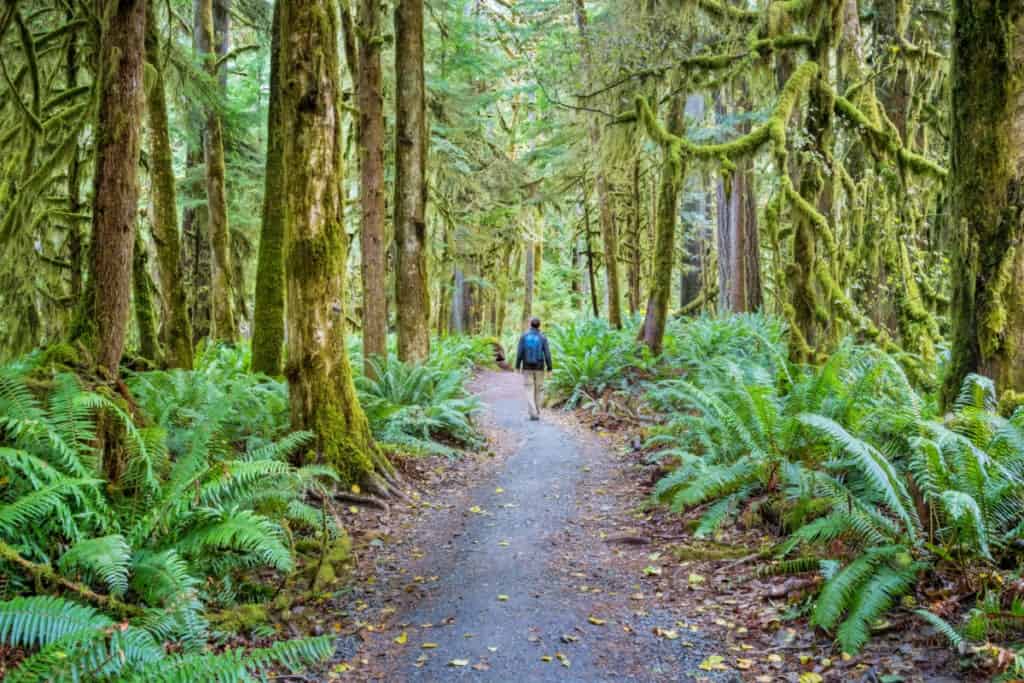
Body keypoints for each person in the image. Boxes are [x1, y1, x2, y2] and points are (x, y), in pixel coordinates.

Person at [515, 317, 553, 421]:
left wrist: (517, 366)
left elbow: (520, 352)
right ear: (539, 325)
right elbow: (547, 354)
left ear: (530, 325)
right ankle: (537, 411)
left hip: (527, 367)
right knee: (538, 390)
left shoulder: (524, 336)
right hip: (540, 368)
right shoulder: (543, 337)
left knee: (529, 389)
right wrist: (550, 368)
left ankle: (533, 412)